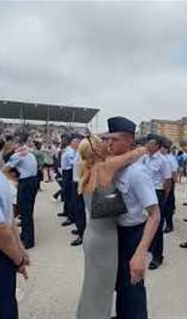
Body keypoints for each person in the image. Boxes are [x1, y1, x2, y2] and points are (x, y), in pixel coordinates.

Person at [76, 134, 147, 319]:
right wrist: (141, 148)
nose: (108, 144)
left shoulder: (86, 169)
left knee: (92, 285)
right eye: (104, 143)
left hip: (92, 235)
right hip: (105, 240)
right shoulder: (105, 168)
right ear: (98, 150)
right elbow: (133, 156)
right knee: (102, 290)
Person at [106, 116, 161, 319]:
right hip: (118, 232)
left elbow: (155, 215)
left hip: (134, 234)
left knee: (133, 285)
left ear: (129, 140)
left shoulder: (137, 173)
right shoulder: (118, 165)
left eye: (114, 139)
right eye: (107, 139)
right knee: (121, 283)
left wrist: (140, 253)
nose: (108, 143)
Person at [0, 146, 30, 318]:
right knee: (6, 298)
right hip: (1, 251)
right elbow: (11, 224)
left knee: (2, 302)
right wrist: (20, 252)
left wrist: (18, 261)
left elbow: (2, 232)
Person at [2, 135, 38, 249]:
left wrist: (12, 179)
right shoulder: (29, 153)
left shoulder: (17, 155)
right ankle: (25, 235)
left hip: (26, 183)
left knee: (24, 211)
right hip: (33, 182)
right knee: (28, 211)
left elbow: (4, 169)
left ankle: (28, 240)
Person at [142, 133, 172, 270]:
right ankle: (150, 249)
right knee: (147, 223)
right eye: (147, 142)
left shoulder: (163, 161)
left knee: (157, 226)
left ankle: (157, 257)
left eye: (151, 143)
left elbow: (167, 181)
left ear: (158, 146)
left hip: (157, 193)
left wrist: (163, 197)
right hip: (145, 193)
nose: (148, 145)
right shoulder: (145, 158)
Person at [60, 134, 83, 227]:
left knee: (71, 198)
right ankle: (71, 216)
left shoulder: (73, 151)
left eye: (74, 141)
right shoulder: (73, 151)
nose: (72, 143)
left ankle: (71, 217)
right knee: (68, 195)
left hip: (71, 175)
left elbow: (73, 163)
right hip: (69, 174)